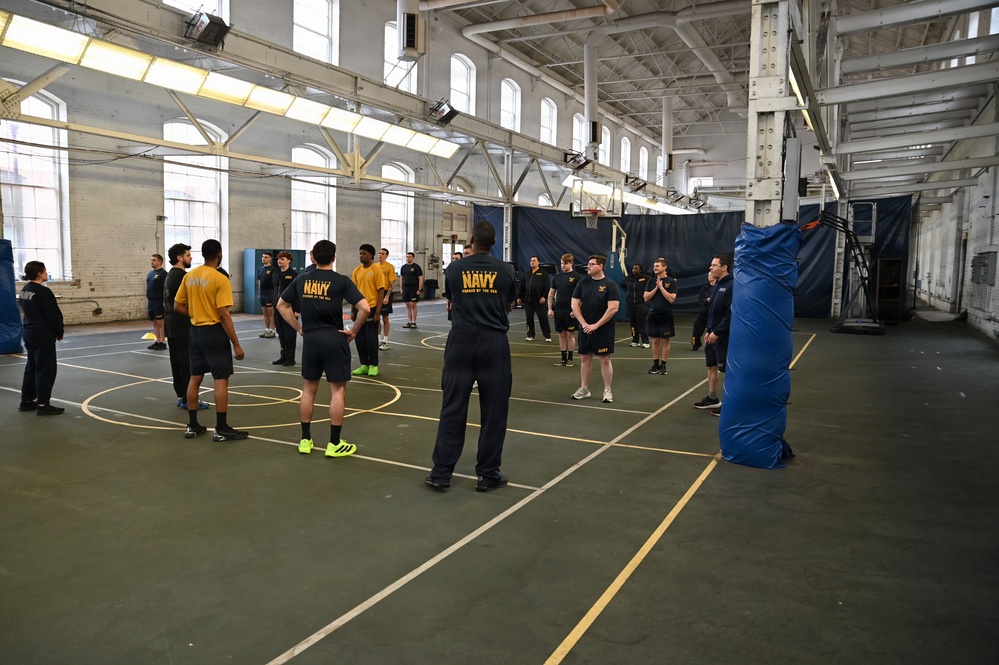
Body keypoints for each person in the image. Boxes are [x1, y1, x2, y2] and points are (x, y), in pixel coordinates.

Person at [426, 221, 517, 492]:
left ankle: (441, 472)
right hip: (493, 343)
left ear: (472, 239)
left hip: (461, 341)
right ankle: (488, 474)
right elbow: (509, 304)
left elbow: (452, 300)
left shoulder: (454, 268)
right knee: (494, 410)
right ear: (494, 241)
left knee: (453, 406)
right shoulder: (507, 270)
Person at [276, 240, 370, 458]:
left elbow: (281, 305)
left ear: (313, 257)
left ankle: (305, 440)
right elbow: (364, 308)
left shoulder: (302, 279)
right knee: (337, 391)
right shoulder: (341, 281)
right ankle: (334, 443)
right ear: (334, 258)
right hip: (334, 338)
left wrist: (299, 327)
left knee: (308, 389)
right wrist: (354, 331)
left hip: (311, 339)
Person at [173, 239, 247, 441]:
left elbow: (178, 306)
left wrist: (195, 312)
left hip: (195, 332)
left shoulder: (190, 276)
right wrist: (237, 344)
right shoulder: (220, 278)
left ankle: (192, 425)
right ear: (219, 254)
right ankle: (221, 428)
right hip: (213, 333)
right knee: (221, 380)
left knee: (195, 377)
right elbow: (223, 314)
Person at [163, 243, 208, 411]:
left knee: (176, 361)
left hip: (171, 324)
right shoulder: (182, 276)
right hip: (181, 324)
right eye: (188, 255)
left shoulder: (170, 275)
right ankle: (189, 399)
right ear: (179, 258)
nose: (191, 258)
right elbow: (185, 302)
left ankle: (182, 395)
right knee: (186, 362)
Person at [570, 254, 620, 403]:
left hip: (604, 329)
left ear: (600, 266)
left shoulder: (610, 285)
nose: (588, 267)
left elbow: (613, 308)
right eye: (588, 264)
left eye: (592, 264)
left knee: (605, 360)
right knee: (585, 358)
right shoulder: (582, 283)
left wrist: (596, 325)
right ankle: (584, 389)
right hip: (586, 328)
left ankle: (607, 390)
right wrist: (584, 324)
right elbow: (574, 304)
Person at [18, 261, 65, 415]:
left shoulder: (25, 290)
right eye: (44, 270)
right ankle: (43, 404)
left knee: (32, 365)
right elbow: (52, 314)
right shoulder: (43, 292)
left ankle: (26, 400)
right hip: (42, 333)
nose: (46, 272)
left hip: (29, 331)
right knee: (46, 368)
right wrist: (59, 330)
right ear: (39, 273)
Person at [694, 254, 734, 415]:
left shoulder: (731, 286)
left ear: (724, 267)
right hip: (712, 334)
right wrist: (709, 330)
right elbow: (712, 312)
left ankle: (730, 404)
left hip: (724, 337)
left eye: (714, 265)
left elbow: (731, 314)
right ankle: (712, 398)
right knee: (711, 365)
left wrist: (717, 332)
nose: (710, 268)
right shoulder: (716, 285)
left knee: (727, 371)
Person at [351, 244, 387, 377]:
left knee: (371, 338)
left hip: (371, 308)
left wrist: (378, 312)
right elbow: (353, 292)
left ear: (371, 255)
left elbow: (381, 291)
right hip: (359, 308)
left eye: (364, 253)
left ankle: (373, 365)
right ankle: (364, 365)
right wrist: (353, 310)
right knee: (359, 338)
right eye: (360, 253)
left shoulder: (377, 270)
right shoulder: (356, 271)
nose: (361, 256)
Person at [644, 258, 678, 375]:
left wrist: (662, 288)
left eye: (657, 266)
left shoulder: (671, 282)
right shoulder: (650, 282)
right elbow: (646, 297)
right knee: (655, 340)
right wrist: (656, 288)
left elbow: (671, 299)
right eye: (654, 266)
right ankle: (655, 364)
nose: (655, 268)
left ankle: (664, 365)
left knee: (665, 340)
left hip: (666, 315)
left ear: (664, 267)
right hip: (653, 314)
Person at [547, 253, 579, 367]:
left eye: (565, 263)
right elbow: (551, 294)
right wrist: (550, 308)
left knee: (570, 335)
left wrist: (576, 310)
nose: (563, 266)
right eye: (561, 263)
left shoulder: (577, 277)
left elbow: (582, 296)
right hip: (559, 310)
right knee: (561, 334)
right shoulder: (557, 277)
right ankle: (563, 359)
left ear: (571, 263)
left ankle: (570, 359)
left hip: (571, 311)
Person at [272, 251, 298, 366]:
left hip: (289, 308)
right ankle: (283, 355)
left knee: (289, 334)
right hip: (277, 308)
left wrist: (297, 310)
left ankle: (290, 358)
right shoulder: (275, 273)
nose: (279, 261)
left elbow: (297, 293)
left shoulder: (294, 275)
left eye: (282, 259)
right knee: (281, 332)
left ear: (289, 261)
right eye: (278, 259)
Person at [518, 255, 551, 342]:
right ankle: (530, 335)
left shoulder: (544, 274)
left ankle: (547, 336)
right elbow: (521, 287)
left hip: (539, 301)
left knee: (543, 317)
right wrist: (519, 297)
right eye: (531, 261)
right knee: (529, 318)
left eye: (534, 260)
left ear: (538, 262)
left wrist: (544, 297)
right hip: (528, 301)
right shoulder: (526, 274)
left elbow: (547, 286)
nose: (532, 262)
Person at [620, 263, 650, 348]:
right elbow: (622, 285)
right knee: (633, 323)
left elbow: (651, 286)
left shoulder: (646, 279)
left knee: (642, 323)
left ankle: (645, 341)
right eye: (633, 268)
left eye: (636, 268)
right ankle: (635, 340)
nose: (634, 270)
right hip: (630, 304)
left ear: (640, 270)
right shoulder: (628, 278)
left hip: (642, 304)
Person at [146, 254, 168, 350]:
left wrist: (164, 302)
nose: (152, 262)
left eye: (154, 260)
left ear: (160, 262)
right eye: (151, 260)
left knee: (160, 323)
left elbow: (166, 289)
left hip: (159, 301)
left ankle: (163, 342)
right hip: (151, 301)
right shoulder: (150, 273)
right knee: (154, 322)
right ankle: (158, 340)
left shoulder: (163, 274)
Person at [376, 248, 397, 350]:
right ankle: (378, 340)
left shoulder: (389, 267)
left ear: (386, 256)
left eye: (383, 254)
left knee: (385, 318)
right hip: (376, 294)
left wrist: (387, 296)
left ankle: (385, 341)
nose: (380, 255)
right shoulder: (374, 266)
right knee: (376, 319)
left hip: (384, 293)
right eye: (379, 253)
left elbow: (392, 283)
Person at [691, 272, 715, 351]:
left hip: (713, 314)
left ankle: (713, 344)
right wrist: (706, 300)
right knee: (697, 328)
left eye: (711, 275)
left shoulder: (718, 287)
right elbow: (700, 299)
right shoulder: (705, 288)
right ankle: (696, 344)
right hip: (703, 313)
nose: (709, 277)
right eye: (708, 276)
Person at [400, 251, 424, 328]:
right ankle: (409, 321)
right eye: (407, 256)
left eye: (409, 256)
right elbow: (402, 278)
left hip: (414, 288)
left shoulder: (417, 267)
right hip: (406, 288)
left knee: (413, 305)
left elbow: (421, 278)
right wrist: (401, 288)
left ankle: (414, 322)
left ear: (413, 258)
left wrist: (419, 289)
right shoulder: (403, 267)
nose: (408, 258)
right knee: (407, 305)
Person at [257, 252, 276, 338]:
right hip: (262, 294)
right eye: (262, 257)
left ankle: (273, 331)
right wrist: (259, 292)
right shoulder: (260, 269)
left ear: (270, 259)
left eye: (265, 257)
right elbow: (259, 281)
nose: (263, 258)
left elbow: (275, 283)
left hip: (270, 294)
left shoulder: (273, 270)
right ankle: (267, 330)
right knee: (265, 313)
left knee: (271, 313)